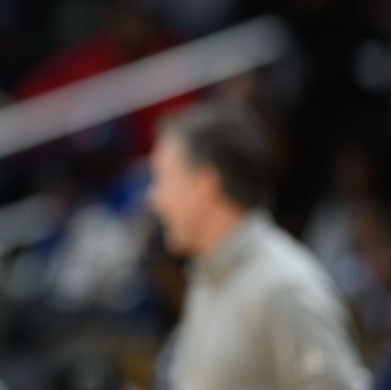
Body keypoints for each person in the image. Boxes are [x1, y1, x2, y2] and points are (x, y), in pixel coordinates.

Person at [147, 101, 369, 390]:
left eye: (163, 179)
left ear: (204, 185)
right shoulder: (208, 278)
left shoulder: (283, 287)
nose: (155, 199)